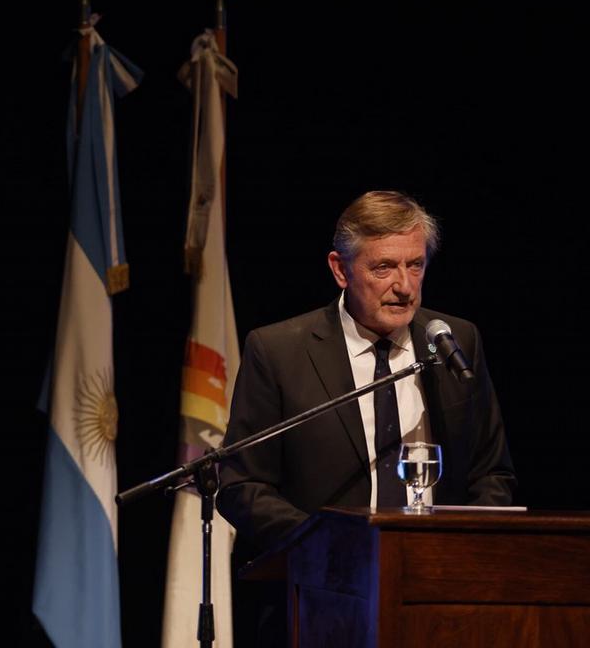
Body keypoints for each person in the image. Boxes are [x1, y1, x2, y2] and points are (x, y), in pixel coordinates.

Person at [217, 191, 516, 555]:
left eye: (416, 265)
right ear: (341, 269)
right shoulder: (279, 351)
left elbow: (491, 475)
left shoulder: (455, 341)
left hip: (437, 575)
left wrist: (461, 549)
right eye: (384, 268)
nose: (405, 286)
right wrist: (326, 546)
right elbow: (242, 485)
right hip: (321, 586)